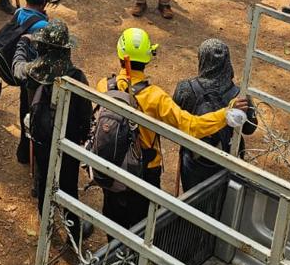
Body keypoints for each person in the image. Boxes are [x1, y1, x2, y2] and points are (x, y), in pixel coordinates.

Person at [96, 27, 249, 230]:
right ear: (148, 58)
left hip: (110, 163)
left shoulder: (104, 86)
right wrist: (225, 115)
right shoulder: (155, 97)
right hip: (145, 170)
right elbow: (191, 127)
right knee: (142, 225)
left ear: (120, 56)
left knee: (113, 219)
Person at [16, 18, 92, 241]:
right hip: (68, 140)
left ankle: (46, 222)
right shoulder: (76, 76)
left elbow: (17, 69)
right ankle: (73, 230)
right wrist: (82, 136)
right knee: (68, 184)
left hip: (41, 139)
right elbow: (85, 113)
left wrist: (21, 46)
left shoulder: (35, 71)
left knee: (43, 179)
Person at [173, 39, 259, 192]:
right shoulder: (240, 96)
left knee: (193, 200)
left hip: (194, 158)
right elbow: (249, 129)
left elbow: (175, 120)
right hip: (228, 160)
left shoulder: (185, 89)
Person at [9, 0, 54, 164]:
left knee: (23, 112)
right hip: (37, 77)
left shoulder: (19, 12)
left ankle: (23, 152)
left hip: (22, 72)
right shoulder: (42, 26)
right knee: (36, 115)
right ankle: (35, 154)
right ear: (43, 2)